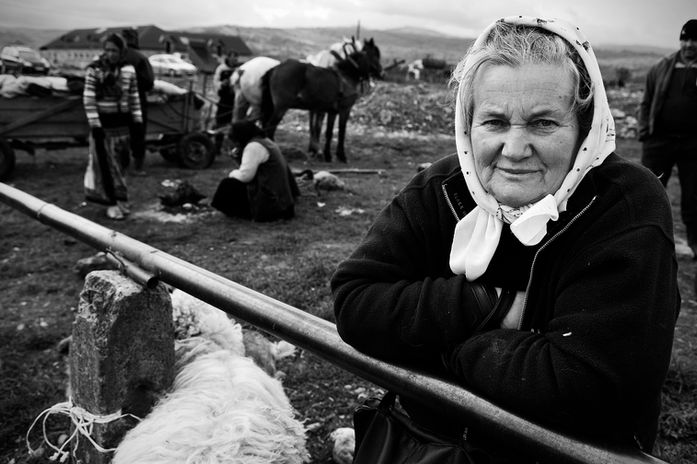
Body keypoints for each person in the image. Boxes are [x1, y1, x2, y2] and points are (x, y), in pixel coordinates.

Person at [332, 16, 679, 461]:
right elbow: (355, 303)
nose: (514, 149)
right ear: (468, 124)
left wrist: (448, 349)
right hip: (428, 444)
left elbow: (589, 386)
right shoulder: (445, 187)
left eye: (543, 123)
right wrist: (490, 305)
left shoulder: (623, 204)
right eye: (494, 122)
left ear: (584, 127)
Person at [639, 19, 697, 256]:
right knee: (650, 188)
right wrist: (645, 132)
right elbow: (646, 102)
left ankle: (694, 243)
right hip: (660, 141)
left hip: (693, 145)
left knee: (694, 195)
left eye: (694, 40)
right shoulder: (662, 67)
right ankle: (645, 238)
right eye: (685, 39)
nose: (689, 44)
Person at [83, 33, 143, 220]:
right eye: (107, 50)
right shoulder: (95, 70)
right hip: (103, 125)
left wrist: (137, 120)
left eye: (114, 50)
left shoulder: (128, 70)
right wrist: (95, 125)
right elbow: (89, 99)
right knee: (105, 166)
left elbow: (134, 96)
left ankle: (121, 200)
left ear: (122, 51)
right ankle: (111, 203)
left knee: (121, 164)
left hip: (123, 124)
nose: (110, 54)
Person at [211, 121, 299, 222]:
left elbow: (245, 176)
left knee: (228, 184)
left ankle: (241, 212)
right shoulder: (265, 141)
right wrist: (238, 157)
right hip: (284, 202)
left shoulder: (254, 146)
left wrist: (232, 173)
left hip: (274, 203)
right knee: (235, 182)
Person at [121, 28, 155, 174]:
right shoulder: (140, 58)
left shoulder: (114, 56)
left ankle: (121, 164)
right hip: (137, 102)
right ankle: (138, 167)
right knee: (138, 135)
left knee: (120, 134)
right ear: (135, 39)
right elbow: (149, 82)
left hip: (117, 102)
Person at [212, 53, 238, 155]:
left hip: (235, 101)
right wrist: (222, 84)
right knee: (220, 123)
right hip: (223, 100)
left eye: (236, 58)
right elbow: (216, 82)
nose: (235, 60)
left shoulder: (238, 70)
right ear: (228, 58)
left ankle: (231, 148)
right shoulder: (221, 69)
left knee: (233, 125)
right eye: (233, 58)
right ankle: (217, 147)